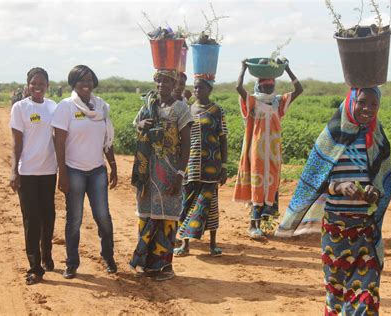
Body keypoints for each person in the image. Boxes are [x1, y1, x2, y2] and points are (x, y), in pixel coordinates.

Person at [275, 87, 391, 315]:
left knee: (367, 295)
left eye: (373, 104)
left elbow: (385, 186)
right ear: (350, 102)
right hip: (335, 231)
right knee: (337, 295)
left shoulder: (378, 139)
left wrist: (374, 193)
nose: (367, 108)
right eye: (362, 102)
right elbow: (315, 181)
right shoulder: (331, 136)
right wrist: (338, 187)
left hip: (365, 231)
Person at [51, 65, 118, 279]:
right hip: (74, 170)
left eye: (89, 79)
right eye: (81, 80)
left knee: (103, 217)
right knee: (75, 219)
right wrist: (63, 173)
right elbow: (59, 142)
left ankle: (108, 257)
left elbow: (107, 140)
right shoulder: (66, 107)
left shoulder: (101, 107)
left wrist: (113, 165)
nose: (86, 84)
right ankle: (71, 263)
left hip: (97, 170)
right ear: (73, 83)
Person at [130, 69, 192, 281]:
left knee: (168, 217)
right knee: (146, 214)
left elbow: (187, 144)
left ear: (174, 84)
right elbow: (135, 124)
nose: (161, 85)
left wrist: (180, 174)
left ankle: (164, 265)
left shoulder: (181, 108)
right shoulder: (149, 106)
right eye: (158, 81)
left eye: (166, 82)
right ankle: (144, 261)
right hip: (147, 171)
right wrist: (141, 125)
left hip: (170, 170)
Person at [233, 58, 303, 239]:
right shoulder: (253, 102)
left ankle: (265, 225)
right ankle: (252, 226)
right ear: (258, 85)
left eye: (270, 85)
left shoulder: (278, 102)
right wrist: (243, 68)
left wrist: (287, 68)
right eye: (264, 86)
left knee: (270, 186)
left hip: (273, 151)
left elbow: (299, 89)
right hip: (256, 151)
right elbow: (238, 88)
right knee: (258, 184)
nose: (268, 88)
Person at [9, 67, 57, 285]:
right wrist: (14, 171)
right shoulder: (20, 108)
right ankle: (35, 267)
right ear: (28, 84)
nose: (38, 87)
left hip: (49, 171)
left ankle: (46, 255)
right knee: (32, 219)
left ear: (48, 85)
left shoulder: (53, 107)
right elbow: (17, 142)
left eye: (42, 83)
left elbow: (59, 138)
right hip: (27, 172)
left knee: (49, 217)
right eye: (34, 83)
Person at [174, 77, 228, 257]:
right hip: (190, 165)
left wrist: (224, 166)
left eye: (201, 88)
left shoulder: (217, 111)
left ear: (209, 89)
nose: (197, 90)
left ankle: (212, 244)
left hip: (211, 166)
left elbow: (223, 139)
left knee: (210, 204)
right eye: (195, 88)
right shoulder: (187, 109)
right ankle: (185, 244)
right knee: (187, 203)